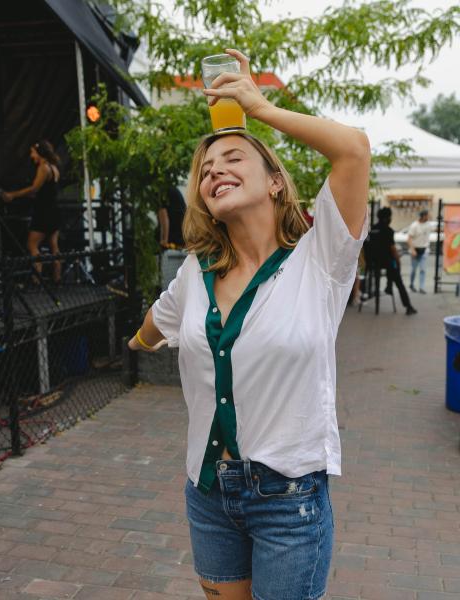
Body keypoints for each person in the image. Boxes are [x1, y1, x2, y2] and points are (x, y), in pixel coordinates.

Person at [129, 48, 370, 600]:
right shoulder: (195, 272)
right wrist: (137, 341)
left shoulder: (320, 259)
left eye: (234, 158)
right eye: (206, 171)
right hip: (207, 492)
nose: (215, 171)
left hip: (289, 499)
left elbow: (354, 149)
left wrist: (258, 109)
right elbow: (156, 321)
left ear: (275, 182)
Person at [3, 140, 61, 283]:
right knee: (54, 247)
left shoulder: (43, 168)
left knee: (32, 245)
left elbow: (34, 188)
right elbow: (46, 191)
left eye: (33, 152)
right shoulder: (54, 168)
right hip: (54, 211)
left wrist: (13, 195)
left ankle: (37, 279)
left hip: (44, 212)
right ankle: (57, 279)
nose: (31, 156)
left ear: (40, 153)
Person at [367, 207, 417, 315]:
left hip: (373, 263)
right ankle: (408, 306)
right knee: (397, 276)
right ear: (387, 218)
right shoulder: (388, 230)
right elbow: (393, 249)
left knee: (392, 266)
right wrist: (398, 261)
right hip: (387, 262)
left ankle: (389, 286)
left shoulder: (372, 230)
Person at [407, 209, 431, 293]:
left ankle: (421, 287)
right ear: (423, 216)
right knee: (414, 269)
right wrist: (413, 250)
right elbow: (409, 239)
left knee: (423, 269)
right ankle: (411, 284)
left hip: (424, 249)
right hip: (415, 250)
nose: (428, 217)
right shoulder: (414, 225)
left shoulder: (428, 225)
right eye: (427, 215)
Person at [157, 185, 186, 249]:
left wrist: (164, 241)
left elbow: (164, 219)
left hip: (173, 239)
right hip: (183, 236)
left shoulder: (160, 191)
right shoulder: (172, 188)